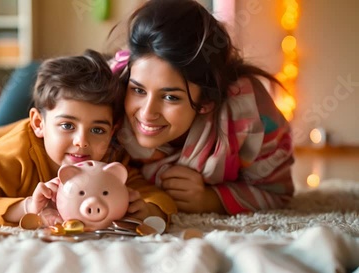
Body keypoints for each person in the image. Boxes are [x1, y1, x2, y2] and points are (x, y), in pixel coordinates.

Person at [0, 49, 177, 226]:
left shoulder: (110, 158)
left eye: (97, 130)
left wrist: (147, 209)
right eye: (68, 125)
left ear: (113, 130)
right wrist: (28, 206)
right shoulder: (13, 154)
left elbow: (160, 199)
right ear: (39, 124)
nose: (82, 141)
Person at [109, 0, 294, 215]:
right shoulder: (106, 98)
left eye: (170, 97)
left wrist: (210, 199)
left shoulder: (251, 114)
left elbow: (277, 192)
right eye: (138, 90)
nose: (147, 113)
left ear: (207, 101)